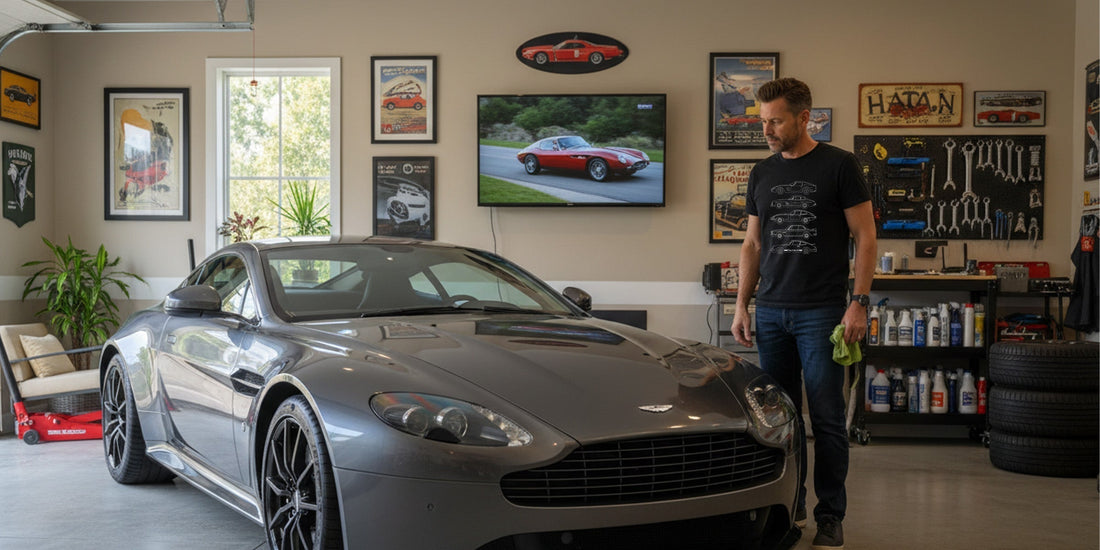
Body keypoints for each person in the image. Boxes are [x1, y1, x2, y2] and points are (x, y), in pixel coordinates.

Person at [730, 77, 876, 550]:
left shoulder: (839, 166)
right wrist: (741, 304)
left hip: (822, 313)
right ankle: (788, 505)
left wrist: (858, 302)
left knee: (827, 418)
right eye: (762, 121)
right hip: (771, 312)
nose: (767, 130)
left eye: (775, 121)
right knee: (780, 420)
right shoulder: (761, 172)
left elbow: (866, 238)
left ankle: (830, 514)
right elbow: (751, 243)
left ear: (802, 118)